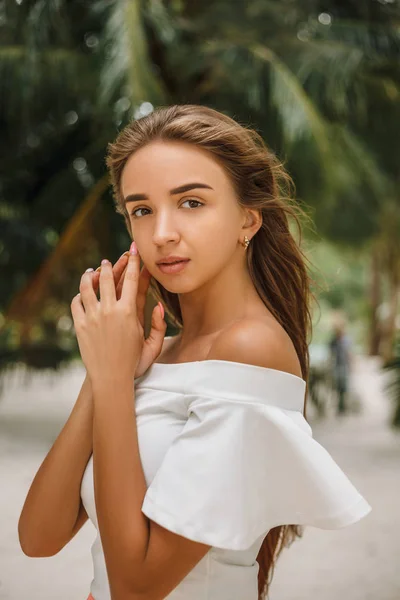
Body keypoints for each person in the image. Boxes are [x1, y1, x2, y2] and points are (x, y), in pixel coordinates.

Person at [19, 105, 371, 600]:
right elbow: (38, 537)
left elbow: (136, 588)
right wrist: (104, 374)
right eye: (142, 210)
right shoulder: (151, 356)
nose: (162, 232)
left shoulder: (251, 350)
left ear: (248, 220)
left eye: (190, 202)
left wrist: (117, 381)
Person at [329, 318, 353, 415]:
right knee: (338, 388)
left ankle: (343, 407)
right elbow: (331, 355)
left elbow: (349, 354)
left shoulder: (346, 341)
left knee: (344, 388)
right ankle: (340, 407)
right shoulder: (333, 342)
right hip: (336, 367)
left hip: (344, 367)